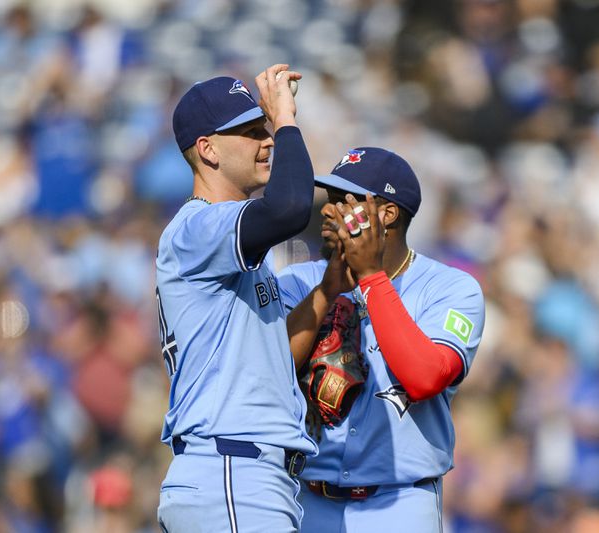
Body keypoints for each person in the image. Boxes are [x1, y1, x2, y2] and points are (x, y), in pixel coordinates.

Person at [278, 147, 485, 532]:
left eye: (344, 201)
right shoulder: (298, 282)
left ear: (387, 214)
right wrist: (325, 293)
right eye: (329, 198)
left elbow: (425, 378)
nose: (328, 210)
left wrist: (371, 277)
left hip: (400, 503)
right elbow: (266, 375)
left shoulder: (452, 288)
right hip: (305, 498)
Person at [155, 65, 317, 533]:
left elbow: (271, 362)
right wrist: (286, 121)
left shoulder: (235, 252)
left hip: (239, 475)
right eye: (249, 132)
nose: (266, 140)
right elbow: (289, 208)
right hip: (231, 469)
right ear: (207, 149)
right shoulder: (197, 228)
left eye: (265, 129)